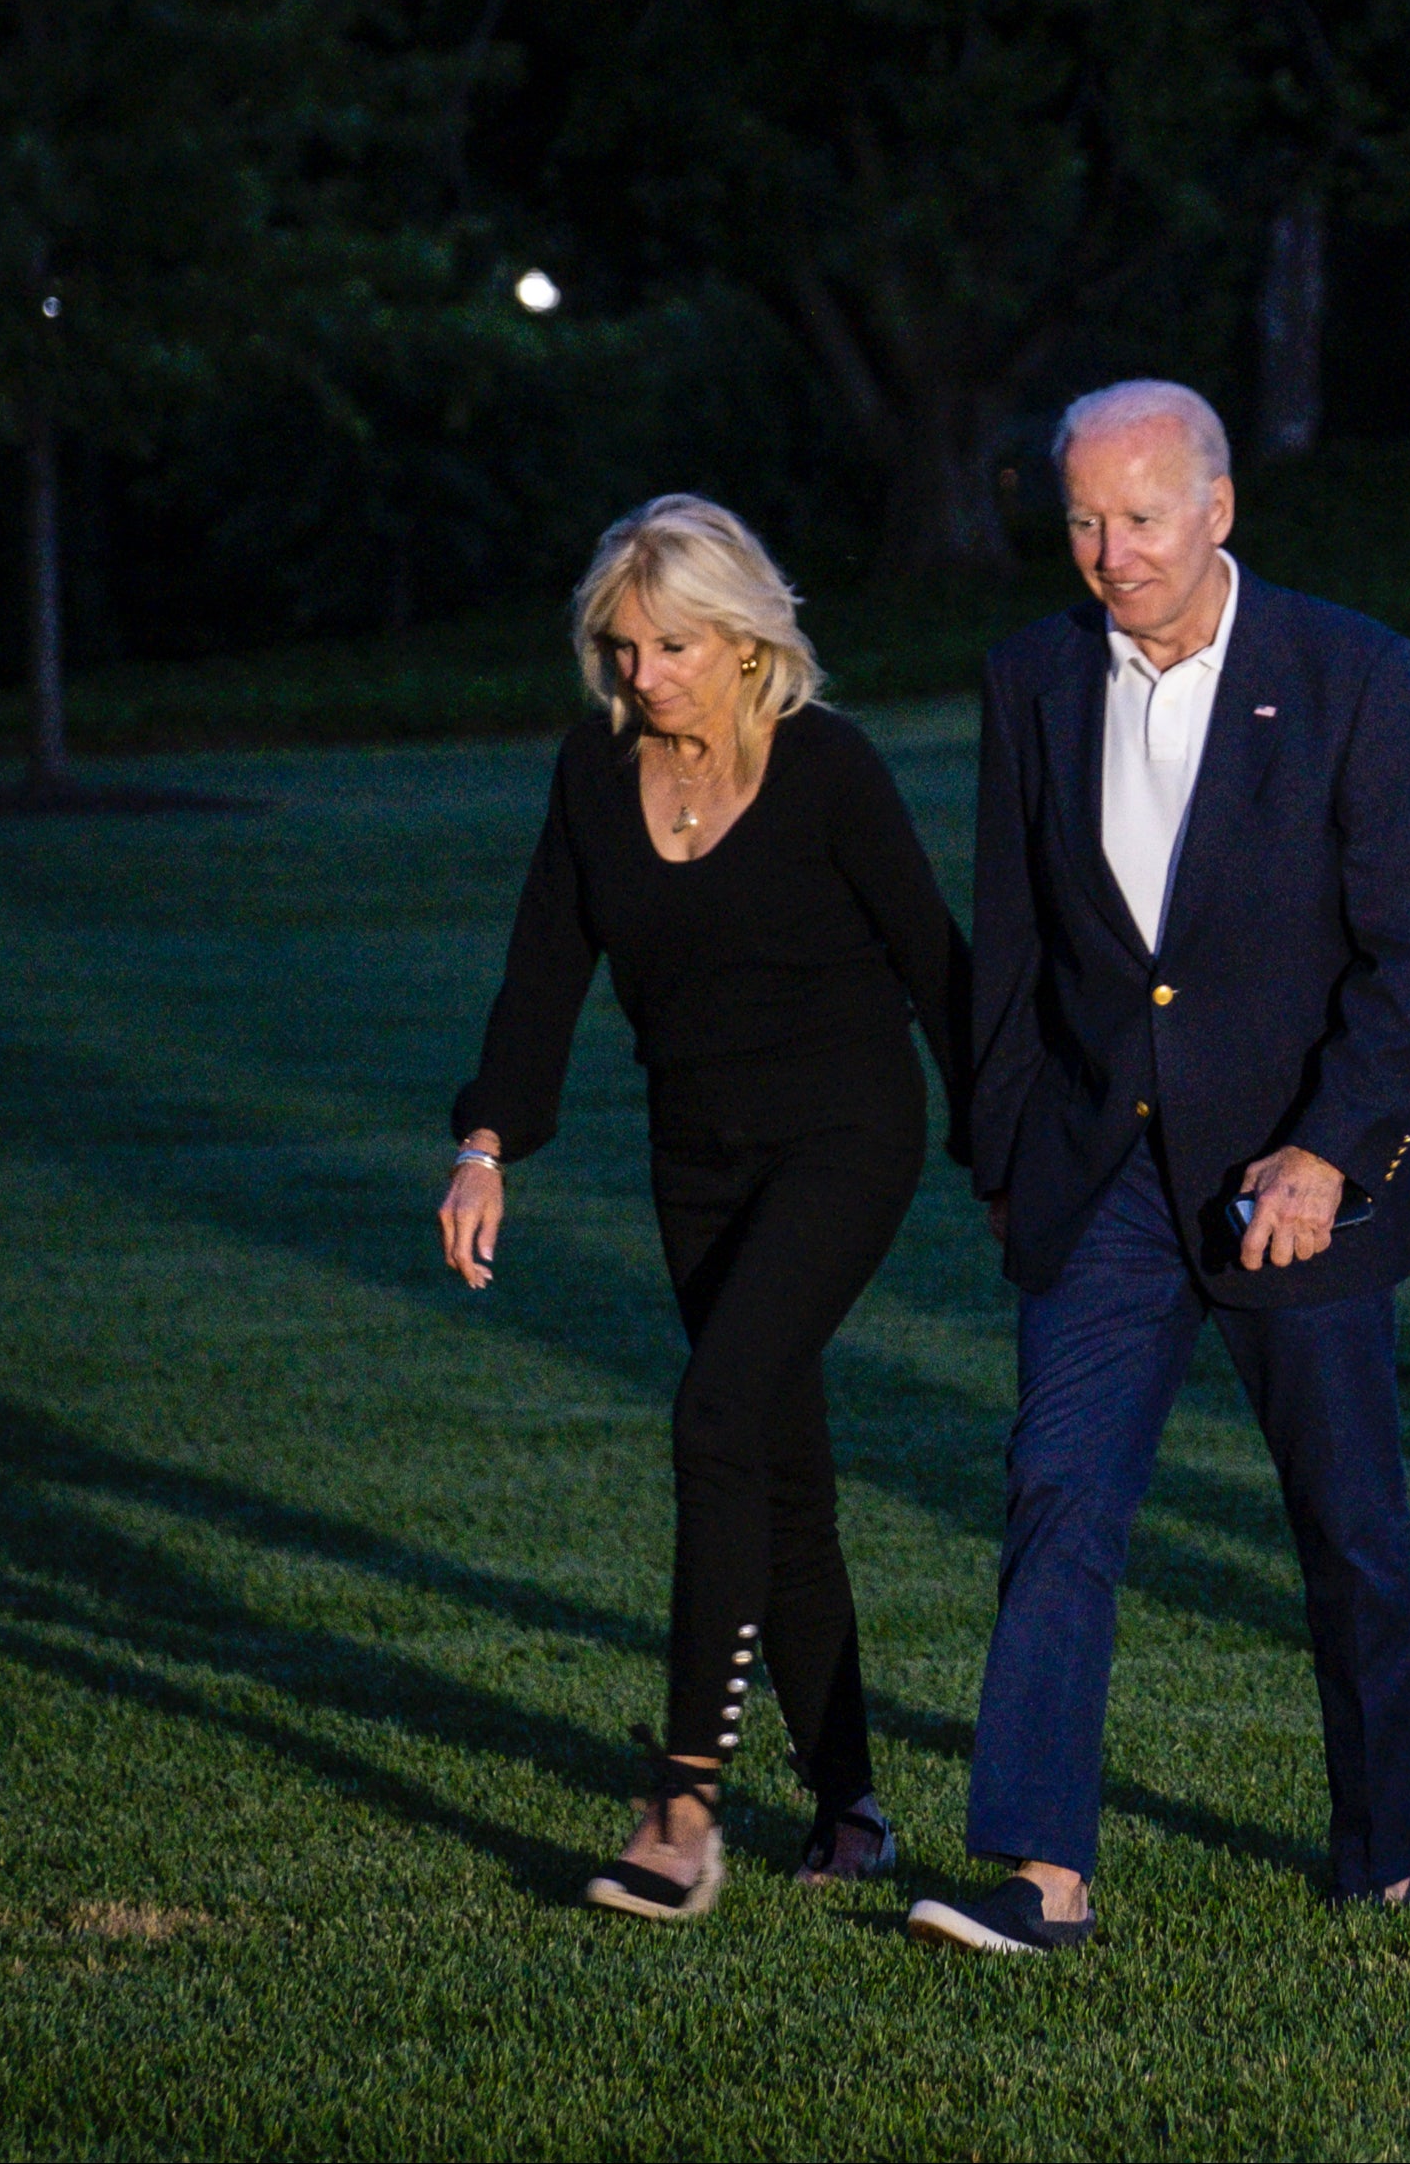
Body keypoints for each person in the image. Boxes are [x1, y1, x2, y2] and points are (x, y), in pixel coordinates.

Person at [904, 380, 1410, 1956]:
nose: (1109, 551)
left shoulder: (1354, 673)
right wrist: (1003, 1152)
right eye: (1082, 519)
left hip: (1296, 1179)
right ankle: (1040, 1867)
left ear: (1220, 509)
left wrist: (1329, 1152)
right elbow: (1009, 947)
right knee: (1057, 1494)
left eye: (1140, 517)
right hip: (1097, 1177)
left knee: (1346, 1523)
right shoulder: (1029, 679)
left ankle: (1381, 1846)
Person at [442, 495, 971, 1922]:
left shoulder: (829, 771)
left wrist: (1013, 1149)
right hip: (700, 1161)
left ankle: (681, 1806)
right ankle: (850, 1806)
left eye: (671, 646)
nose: (640, 675)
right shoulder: (592, 771)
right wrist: (488, 1140)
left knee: (717, 1414)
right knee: (778, 1467)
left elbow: (937, 963)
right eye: (619, 648)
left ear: (747, 643)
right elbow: (542, 970)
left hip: (845, 1140)